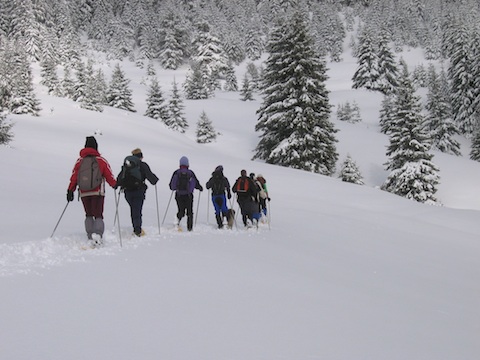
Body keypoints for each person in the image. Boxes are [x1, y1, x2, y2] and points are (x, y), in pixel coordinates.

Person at [67, 136, 117, 246]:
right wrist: (114, 185)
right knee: (98, 214)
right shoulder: (101, 161)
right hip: (98, 192)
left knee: (88, 214)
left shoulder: (80, 161)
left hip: (84, 192)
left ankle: (90, 236)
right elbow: (109, 175)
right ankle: (98, 235)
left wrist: (70, 190)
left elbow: (74, 177)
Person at [116, 148, 159, 237]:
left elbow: (120, 177)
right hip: (139, 190)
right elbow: (150, 177)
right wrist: (155, 180)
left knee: (133, 209)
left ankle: (136, 228)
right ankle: (137, 230)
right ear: (141, 156)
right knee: (137, 210)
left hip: (127, 191)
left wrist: (116, 185)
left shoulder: (127, 166)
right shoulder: (142, 165)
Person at [169, 156, 203, 231]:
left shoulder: (176, 172)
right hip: (189, 196)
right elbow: (196, 183)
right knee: (190, 212)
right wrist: (200, 188)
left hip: (179, 195)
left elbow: (171, 186)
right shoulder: (190, 173)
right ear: (188, 164)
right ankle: (190, 228)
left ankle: (177, 220)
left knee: (181, 210)